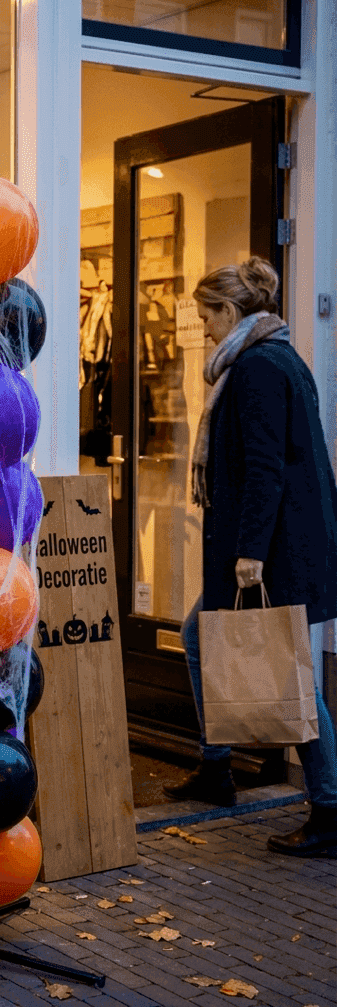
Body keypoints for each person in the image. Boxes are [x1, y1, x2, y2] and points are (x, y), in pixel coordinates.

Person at [163, 257, 337, 857]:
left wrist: (250, 556)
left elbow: (266, 469)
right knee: (197, 636)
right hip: (281, 542)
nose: (204, 328)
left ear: (230, 312)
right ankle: (216, 770)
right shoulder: (273, 358)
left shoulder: (259, 368)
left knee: (295, 681)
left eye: (206, 315)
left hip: (273, 549)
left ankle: (331, 807)